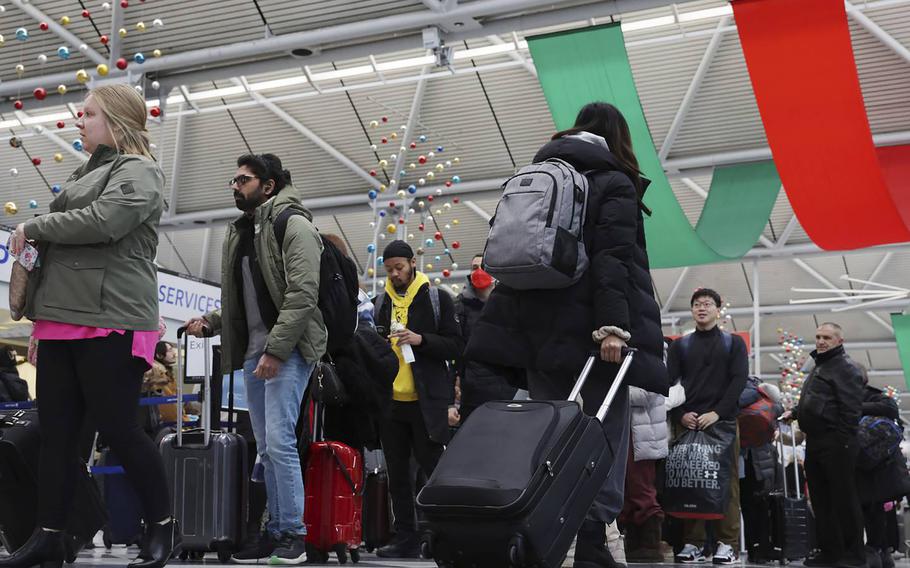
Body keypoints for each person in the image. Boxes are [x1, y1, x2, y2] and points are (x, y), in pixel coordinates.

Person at [466, 101, 667, 568]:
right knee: (602, 437)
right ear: (617, 136)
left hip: (536, 338)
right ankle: (593, 540)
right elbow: (613, 261)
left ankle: (556, 533)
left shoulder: (540, 175)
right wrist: (613, 329)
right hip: (592, 340)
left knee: (552, 437)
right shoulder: (613, 181)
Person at [0, 84, 176, 568]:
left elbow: (104, 221)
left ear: (116, 121)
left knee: (120, 429)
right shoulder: (88, 171)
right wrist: (39, 324)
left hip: (111, 318)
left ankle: (162, 525)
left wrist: (34, 226)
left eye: (88, 114)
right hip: (61, 320)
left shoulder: (141, 171)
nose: (80, 122)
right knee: (56, 436)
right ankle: (50, 533)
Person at [184, 153, 325, 566]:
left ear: (268, 186)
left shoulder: (293, 224)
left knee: (279, 443)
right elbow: (242, 299)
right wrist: (212, 322)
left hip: (288, 352)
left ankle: (294, 535)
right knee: (266, 446)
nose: (235, 185)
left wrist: (276, 350)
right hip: (253, 354)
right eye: (234, 179)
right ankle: (277, 529)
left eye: (243, 179)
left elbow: (302, 294)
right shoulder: (243, 232)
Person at [372, 240, 463, 558]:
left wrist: (420, 339)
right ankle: (406, 537)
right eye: (389, 270)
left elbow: (455, 346)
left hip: (427, 401)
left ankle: (437, 535)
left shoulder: (438, 298)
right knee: (397, 474)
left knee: (433, 470)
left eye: (399, 267)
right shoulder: (381, 302)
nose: (395, 274)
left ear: (413, 263)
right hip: (392, 402)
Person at [668, 288, 748, 565]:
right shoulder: (681, 346)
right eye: (697, 305)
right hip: (689, 423)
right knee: (691, 481)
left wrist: (717, 412)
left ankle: (728, 544)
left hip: (723, 423)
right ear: (692, 311)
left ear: (718, 309)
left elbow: (738, 381)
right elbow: (670, 384)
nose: (702, 308)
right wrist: (680, 414)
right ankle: (695, 543)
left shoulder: (733, 343)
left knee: (727, 483)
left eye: (707, 304)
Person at [784, 323, 866, 568]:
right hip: (816, 441)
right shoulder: (821, 366)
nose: (821, 341)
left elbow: (851, 410)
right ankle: (830, 553)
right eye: (818, 336)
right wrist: (797, 412)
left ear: (840, 340)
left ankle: (854, 556)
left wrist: (842, 442)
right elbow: (820, 401)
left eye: (827, 337)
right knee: (821, 501)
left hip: (837, 442)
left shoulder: (845, 368)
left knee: (844, 500)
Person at [452, 253, 516, 424]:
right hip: (473, 388)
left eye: (482, 266)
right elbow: (456, 347)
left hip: (507, 386)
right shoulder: (460, 307)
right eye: (474, 268)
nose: (479, 271)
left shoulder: (508, 303)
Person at [856, 366, 910, 568]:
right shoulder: (875, 398)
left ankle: (875, 550)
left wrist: (854, 408)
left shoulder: (875, 397)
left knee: (871, 508)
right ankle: (880, 550)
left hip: (873, 467)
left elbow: (890, 408)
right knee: (874, 509)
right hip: (879, 467)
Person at [621, 386, 668, 563]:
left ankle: (649, 545)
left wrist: (613, 390)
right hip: (631, 428)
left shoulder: (651, 358)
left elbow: (651, 391)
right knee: (626, 490)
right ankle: (635, 544)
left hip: (642, 434)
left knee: (641, 490)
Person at [739, 379, 783, 564]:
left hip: (740, 455)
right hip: (763, 456)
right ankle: (766, 547)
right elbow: (778, 412)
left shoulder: (736, 393)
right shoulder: (766, 393)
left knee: (746, 505)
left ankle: (753, 548)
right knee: (764, 504)